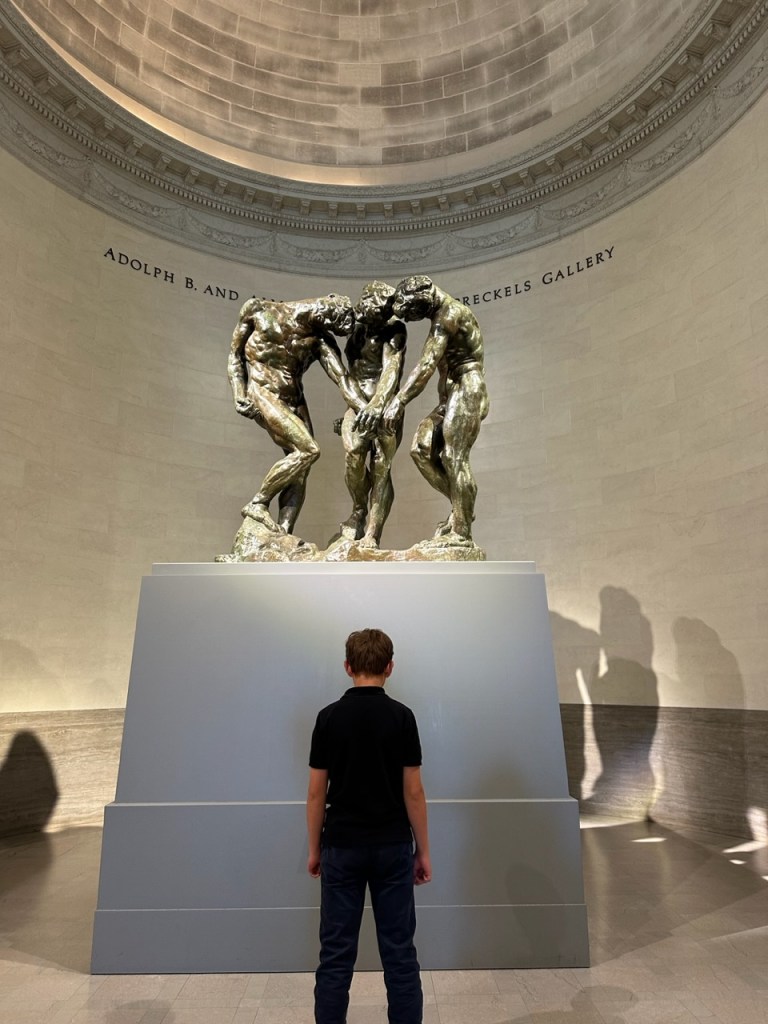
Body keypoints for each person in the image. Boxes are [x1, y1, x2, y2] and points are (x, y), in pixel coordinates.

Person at [307, 628, 431, 1024]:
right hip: (392, 846)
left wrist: (314, 849)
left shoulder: (328, 718)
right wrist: (423, 851)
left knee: (335, 955)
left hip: (341, 846)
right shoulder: (402, 717)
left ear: (348, 666)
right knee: (399, 953)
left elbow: (316, 793)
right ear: (389, 667)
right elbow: (414, 792)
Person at [356, 275, 489, 543]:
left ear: (422, 298)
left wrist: (399, 401)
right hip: (449, 396)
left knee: (453, 457)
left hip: (468, 388)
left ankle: (461, 531)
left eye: (410, 312)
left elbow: (427, 364)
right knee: (420, 449)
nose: (410, 318)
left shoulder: (449, 314)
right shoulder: (440, 316)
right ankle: (462, 508)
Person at [227, 293, 365, 533]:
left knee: (300, 469)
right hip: (263, 393)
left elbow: (342, 378)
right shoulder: (258, 310)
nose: (327, 326)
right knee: (308, 450)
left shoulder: (320, 339)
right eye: (332, 319)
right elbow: (235, 355)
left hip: (296, 400)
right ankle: (258, 503)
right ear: (327, 304)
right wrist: (239, 393)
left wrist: (363, 408)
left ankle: (284, 532)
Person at [335, 282, 407, 547]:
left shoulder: (395, 329)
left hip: (384, 406)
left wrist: (378, 405)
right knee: (353, 457)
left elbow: (391, 369)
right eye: (370, 313)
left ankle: (372, 533)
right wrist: (352, 406)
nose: (373, 318)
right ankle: (358, 509)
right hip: (356, 405)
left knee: (381, 468)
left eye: (379, 315)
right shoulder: (355, 327)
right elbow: (348, 373)